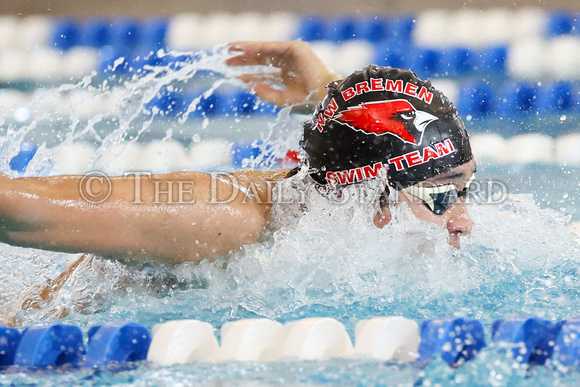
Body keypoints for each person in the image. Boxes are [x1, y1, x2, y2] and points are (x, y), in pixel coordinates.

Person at [0, 41, 475, 266]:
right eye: (440, 197)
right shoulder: (223, 219)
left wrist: (323, 84)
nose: (464, 219)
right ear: (367, 197)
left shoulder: (343, 193)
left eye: (465, 189)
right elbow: (17, 210)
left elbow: (368, 140)